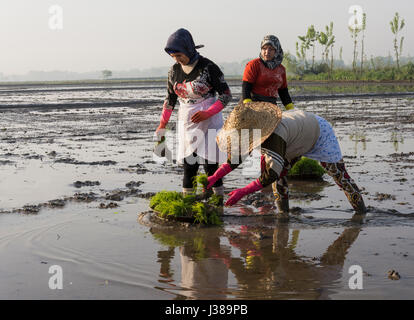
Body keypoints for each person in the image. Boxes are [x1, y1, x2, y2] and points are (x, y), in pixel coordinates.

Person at [205, 101, 367, 221]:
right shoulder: (249, 133)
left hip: (318, 133)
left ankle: (361, 214)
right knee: (281, 174)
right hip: (294, 138)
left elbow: (271, 173)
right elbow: (237, 157)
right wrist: (215, 176)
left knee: (339, 176)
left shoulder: (273, 137)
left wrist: (243, 191)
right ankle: (284, 215)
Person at [155, 28, 232, 197]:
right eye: (174, 57)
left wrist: (208, 113)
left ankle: (217, 202)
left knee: (211, 165)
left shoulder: (208, 67)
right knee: (190, 165)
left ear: (189, 50)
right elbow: (170, 100)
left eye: (180, 55)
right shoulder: (174, 71)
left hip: (210, 121)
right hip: (187, 121)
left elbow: (226, 95)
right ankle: (188, 202)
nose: (177, 60)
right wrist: (162, 124)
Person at [242, 35, 294, 110]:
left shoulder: (281, 69)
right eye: (264, 48)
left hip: (271, 106)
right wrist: (249, 108)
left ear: (276, 51)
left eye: (271, 49)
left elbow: (283, 92)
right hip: (252, 104)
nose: (267, 52)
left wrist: (291, 109)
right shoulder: (253, 65)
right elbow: (246, 88)